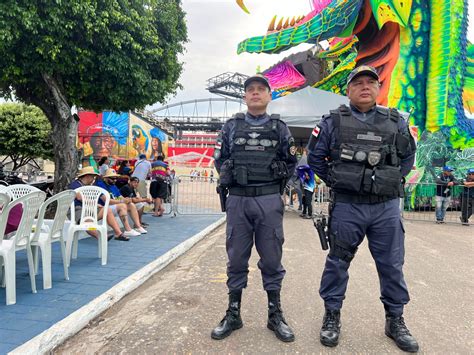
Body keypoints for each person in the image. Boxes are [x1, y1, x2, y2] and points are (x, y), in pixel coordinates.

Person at [307, 65, 419, 352]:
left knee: (391, 265)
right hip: (348, 207)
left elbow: (407, 158)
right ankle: (332, 315)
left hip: (385, 208)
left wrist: (387, 181)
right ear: (348, 90)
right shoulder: (332, 121)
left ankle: (395, 319)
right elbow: (316, 157)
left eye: (371, 82)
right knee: (338, 262)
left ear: (379, 89)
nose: (365, 86)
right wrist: (340, 181)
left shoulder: (396, 121)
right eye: (358, 83)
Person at [212, 74, 297, 342]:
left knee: (272, 258)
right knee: (236, 258)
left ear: (269, 96)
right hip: (238, 198)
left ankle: (275, 314)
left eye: (261, 89)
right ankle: (233, 313)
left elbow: (290, 162)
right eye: (251, 90)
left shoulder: (279, 127)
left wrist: (275, 187)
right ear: (245, 96)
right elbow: (220, 159)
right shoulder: (231, 126)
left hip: (268, 199)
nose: (256, 93)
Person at [68, 166, 129, 241]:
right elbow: (80, 198)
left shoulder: (89, 186)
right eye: (93, 177)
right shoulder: (75, 185)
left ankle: (118, 234)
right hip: (77, 209)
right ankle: (101, 236)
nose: (93, 179)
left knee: (107, 210)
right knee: (87, 223)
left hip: (89, 209)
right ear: (87, 176)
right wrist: (95, 204)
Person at [95, 169, 146, 237]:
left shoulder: (113, 185)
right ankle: (128, 230)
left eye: (116, 178)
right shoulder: (100, 185)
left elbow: (120, 196)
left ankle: (138, 226)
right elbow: (107, 201)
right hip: (104, 207)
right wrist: (122, 201)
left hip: (112, 206)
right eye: (113, 178)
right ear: (106, 178)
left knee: (131, 205)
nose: (115, 180)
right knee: (122, 206)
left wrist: (126, 199)